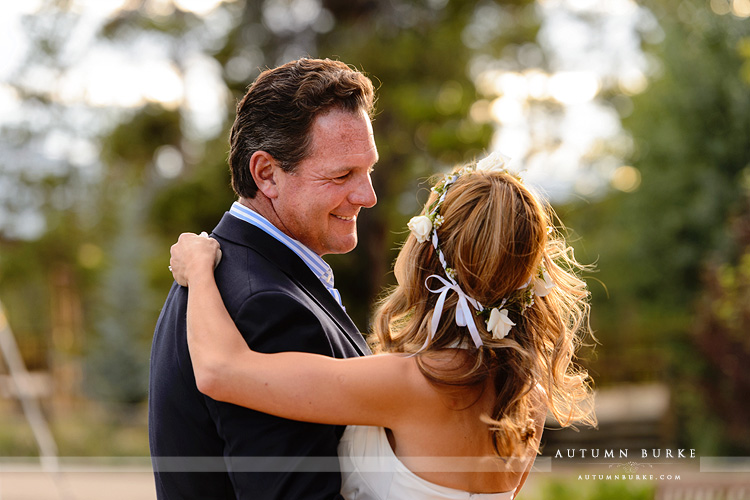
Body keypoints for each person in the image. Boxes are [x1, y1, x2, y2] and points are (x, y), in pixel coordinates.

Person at [169, 153, 597, 500]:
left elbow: (219, 370)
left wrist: (199, 268)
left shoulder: (405, 384)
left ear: (430, 254)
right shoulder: (528, 396)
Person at [149, 57, 378, 500]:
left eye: (368, 169)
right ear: (267, 174)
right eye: (342, 175)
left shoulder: (224, 274)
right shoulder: (266, 305)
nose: (367, 196)